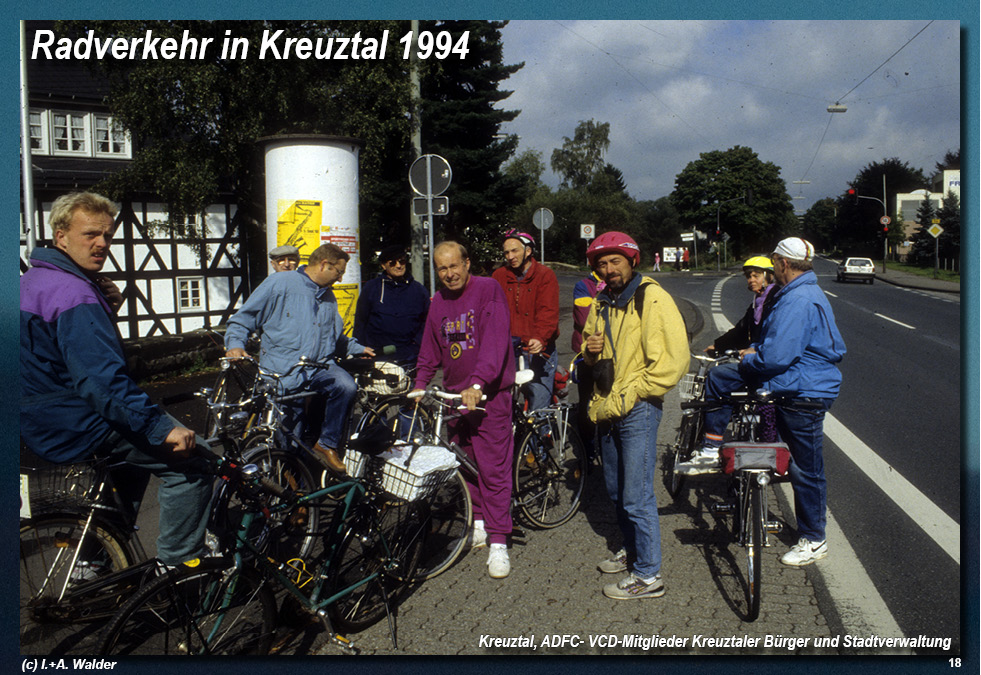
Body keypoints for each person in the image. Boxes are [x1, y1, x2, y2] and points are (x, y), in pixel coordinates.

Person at [20, 191, 213, 567]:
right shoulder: (74, 292)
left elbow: (56, 353)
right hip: (76, 416)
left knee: (129, 469)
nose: (102, 244)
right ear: (60, 236)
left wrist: (105, 308)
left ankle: (95, 565)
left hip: (40, 413)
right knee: (194, 464)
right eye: (90, 234)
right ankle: (179, 570)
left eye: (107, 235)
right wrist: (161, 428)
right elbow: (102, 382)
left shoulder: (34, 281)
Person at [693, 238, 845, 567]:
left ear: (782, 262)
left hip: (800, 388)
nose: (773, 268)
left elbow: (776, 358)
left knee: (806, 467)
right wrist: (757, 351)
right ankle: (721, 449)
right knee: (799, 463)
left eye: (774, 262)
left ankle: (814, 539)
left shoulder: (796, 300)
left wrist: (750, 357)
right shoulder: (802, 292)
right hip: (799, 383)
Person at [580, 231, 689, 599]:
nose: (609, 269)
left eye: (615, 261)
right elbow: (589, 354)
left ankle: (648, 574)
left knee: (637, 494)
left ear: (632, 262)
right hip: (607, 406)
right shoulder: (601, 302)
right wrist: (590, 349)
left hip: (638, 407)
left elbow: (673, 360)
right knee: (615, 489)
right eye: (602, 264)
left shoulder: (652, 297)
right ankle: (633, 550)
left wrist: (633, 393)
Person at [412, 241, 516, 579]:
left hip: (488, 395)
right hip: (454, 397)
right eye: (442, 268)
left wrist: (478, 383)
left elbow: (495, 343)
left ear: (467, 263)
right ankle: (481, 525)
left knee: (493, 469)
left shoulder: (488, 290)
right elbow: (430, 347)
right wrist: (420, 383)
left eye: (454, 266)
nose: (449, 274)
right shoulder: (438, 301)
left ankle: (499, 541)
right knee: (466, 464)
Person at [224, 243, 373, 474]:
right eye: (339, 272)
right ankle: (293, 486)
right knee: (289, 440)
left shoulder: (328, 296)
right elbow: (243, 319)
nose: (340, 278)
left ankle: (327, 444)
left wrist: (358, 348)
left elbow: (335, 336)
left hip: (319, 367)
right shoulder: (280, 283)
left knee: (345, 386)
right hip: (283, 372)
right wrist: (235, 345)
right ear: (324, 265)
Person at [678, 255, 779, 472]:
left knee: (717, 377)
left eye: (756, 275)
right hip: (765, 363)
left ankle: (711, 446)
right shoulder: (760, 301)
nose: (751, 280)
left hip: (764, 363)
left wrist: (756, 349)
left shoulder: (773, 300)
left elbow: (767, 333)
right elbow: (742, 329)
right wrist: (717, 346)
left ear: (769, 276)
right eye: (748, 276)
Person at [491, 229, 560, 410]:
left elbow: (548, 312)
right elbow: (492, 312)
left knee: (538, 404)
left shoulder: (545, 275)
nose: (510, 256)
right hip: (509, 349)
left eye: (514, 251)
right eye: (506, 252)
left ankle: (541, 427)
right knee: (503, 403)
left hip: (537, 349)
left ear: (528, 251)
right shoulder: (499, 276)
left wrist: (540, 337)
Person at [353, 245, 430, 367]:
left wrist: (417, 345)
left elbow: (427, 321)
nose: (399, 266)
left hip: (409, 356)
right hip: (376, 355)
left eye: (402, 261)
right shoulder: (371, 288)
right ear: (384, 265)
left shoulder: (418, 290)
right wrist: (360, 350)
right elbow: (360, 321)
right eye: (392, 263)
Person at [571, 268, 605, 462]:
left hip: (612, 355)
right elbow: (585, 320)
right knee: (586, 403)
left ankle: (606, 448)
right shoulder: (583, 286)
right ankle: (587, 451)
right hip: (586, 353)